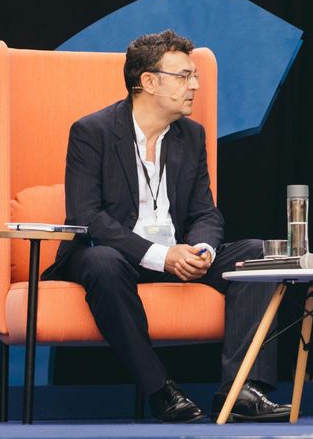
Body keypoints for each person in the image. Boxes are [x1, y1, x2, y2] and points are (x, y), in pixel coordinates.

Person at [42, 30, 290, 423]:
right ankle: (160, 390)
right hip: (115, 256)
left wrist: (203, 250)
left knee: (259, 253)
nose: (194, 85)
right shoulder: (93, 132)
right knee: (103, 261)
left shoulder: (191, 136)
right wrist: (162, 256)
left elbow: (205, 212)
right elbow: (87, 218)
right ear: (148, 82)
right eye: (183, 76)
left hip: (179, 252)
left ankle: (241, 390)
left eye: (195, 76)